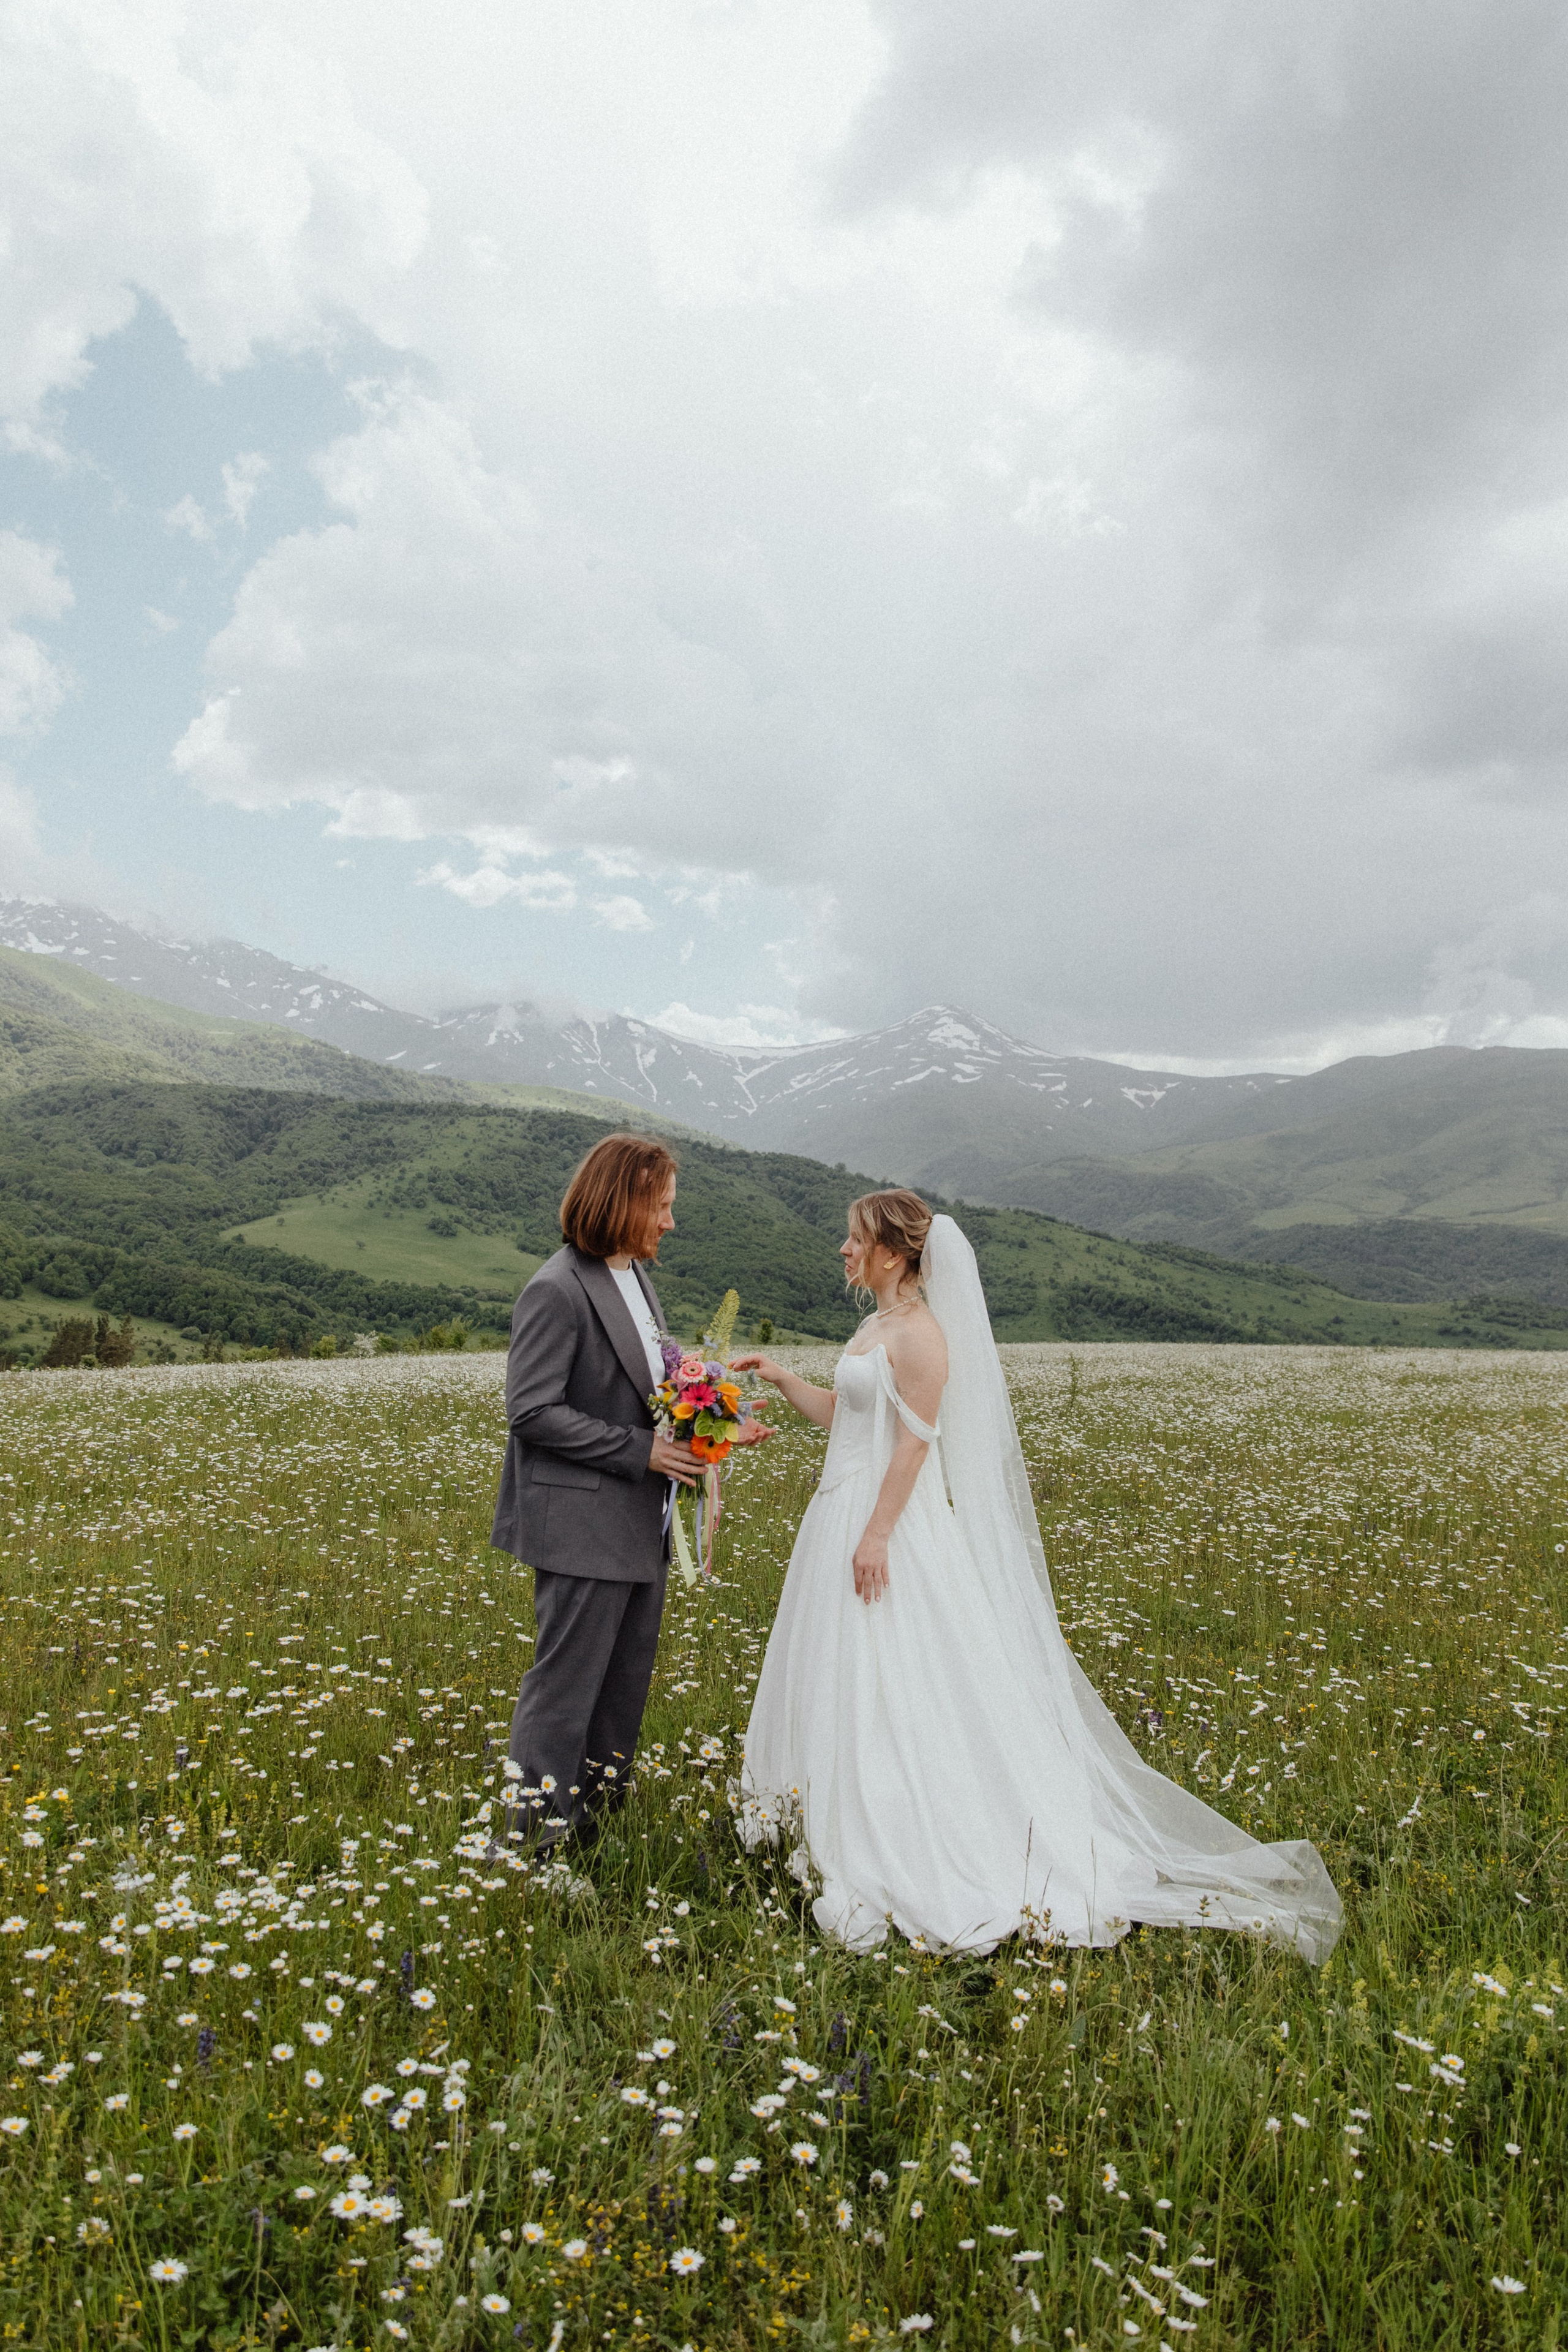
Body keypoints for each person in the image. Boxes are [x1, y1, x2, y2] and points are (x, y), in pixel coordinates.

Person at [731, 1191, 1343, 1961]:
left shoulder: (922, 1336)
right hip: (838, 1511)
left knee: (896, 1672)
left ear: (889, 1252)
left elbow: (914, 1447)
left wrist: (878, 1533)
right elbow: (848, 1418)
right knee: (837, 1666)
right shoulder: (873, 1327)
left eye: (854, 1239)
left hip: (888, 1524)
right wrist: (783, 1378)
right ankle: (822, 1805)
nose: (843, 1250)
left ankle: (910, 1823)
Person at [491, 1133, 769, 1852]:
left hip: (639, 1518)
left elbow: (652, 1389)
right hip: (581, 1524)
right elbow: (530, 1410)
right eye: (661, 1207)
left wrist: (717, 1424)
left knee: (622, 1683)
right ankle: (532, 1844)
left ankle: (593, 1826)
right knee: (565, 1688)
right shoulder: (557, 1289)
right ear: (621, 1203)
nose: (671, 1223)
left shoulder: (634, 1277)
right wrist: (641, 1451)